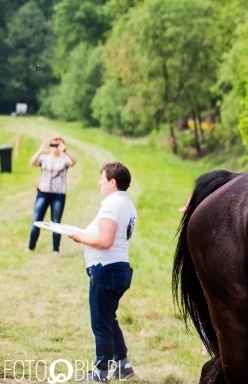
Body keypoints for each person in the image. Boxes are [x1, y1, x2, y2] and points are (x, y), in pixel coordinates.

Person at [70, 162, 137, 381]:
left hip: (106, 270)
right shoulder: (127, 204)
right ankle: (122, 364)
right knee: (109, 320)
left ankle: (101, 372)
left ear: (112, 182)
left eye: (102, 178)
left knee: (100, 323)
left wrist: (78, 237)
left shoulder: (111, 206)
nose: (99, 182)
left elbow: (105, 241)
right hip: (120, 269)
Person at [28, 135, 77, 253]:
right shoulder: (44, 158)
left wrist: (65, 150)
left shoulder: (64, 159)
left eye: (57, 145)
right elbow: (32, 162)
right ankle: (31, 246)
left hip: (58, 194)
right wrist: (40, 150)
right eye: (53, 145)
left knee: (56, 222)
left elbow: (74, 161)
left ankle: (56, 249)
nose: (55, 148)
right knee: (36, 219)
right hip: (43, 192)